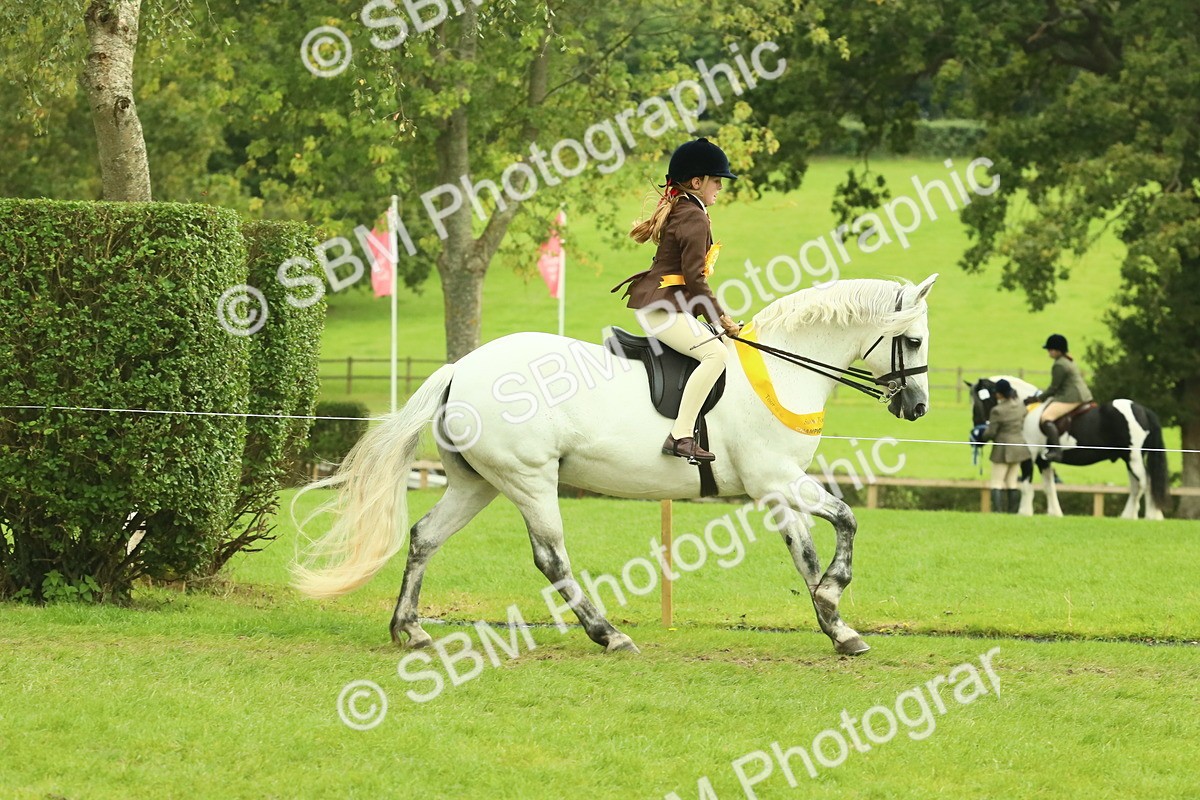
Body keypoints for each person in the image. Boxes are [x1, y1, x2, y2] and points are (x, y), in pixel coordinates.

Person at [611, 137, 740, 463]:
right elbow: (695, 279)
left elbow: (688, 280)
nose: (720, 187)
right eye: (716, 180)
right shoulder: (694, 216)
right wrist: (721, 320)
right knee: (716, 354)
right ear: (697, 182)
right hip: (661, 310)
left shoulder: (687, 208)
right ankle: (681, 435)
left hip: (665, 304)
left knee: (716, 346)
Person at [1038, 334, 1093, 461]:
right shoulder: (1068, 359)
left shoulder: (1059, 365)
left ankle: (1056, 451)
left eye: (1050, 349)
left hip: (1071, 396)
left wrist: (1039, 398)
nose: (1048, 352)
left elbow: (1054, 388)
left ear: (1057, 350)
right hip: (1082, 393)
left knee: (1046, 417)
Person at [978, 379, 1027, 513]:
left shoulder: (997, 411)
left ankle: (998, 512)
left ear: (1000, 394)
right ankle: (1012, 512)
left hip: (1003, 449)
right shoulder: (1020, 406)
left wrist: (980, 436)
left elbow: (991, 432)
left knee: (996, 482)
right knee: (1012, 482)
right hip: (1018, 447)